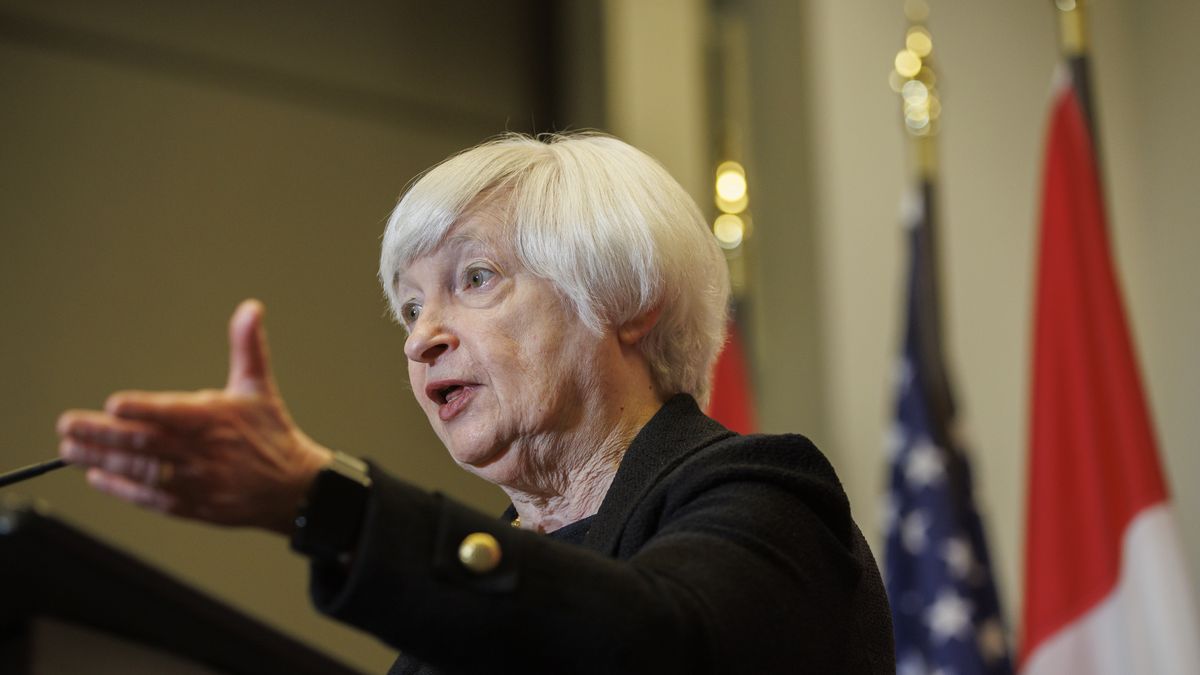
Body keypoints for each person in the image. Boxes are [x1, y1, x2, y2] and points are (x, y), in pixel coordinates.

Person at [56, 133, 894, 673]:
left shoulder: (763, 496)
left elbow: (654, 649)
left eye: (475, 279)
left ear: (628, 299)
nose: (422, 338)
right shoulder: (446, 625)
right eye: (412, 307)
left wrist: (330, 502)